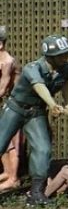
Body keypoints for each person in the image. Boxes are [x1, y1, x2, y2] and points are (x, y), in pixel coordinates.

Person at [0, 34, 68, 205]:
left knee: (43, 149)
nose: (65, 57)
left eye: (66, 53)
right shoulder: (32, 68)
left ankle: (36, 193)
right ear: (49, 56)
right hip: (16, 109)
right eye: (61, 55)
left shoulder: (67, 68)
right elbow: (39, 86)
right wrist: (52, 103)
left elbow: (65, 84)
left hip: (36, 112)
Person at [0, 26, 25, 192]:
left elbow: (2, 87)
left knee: (13, 141)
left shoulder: (7, 61)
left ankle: (14, 178)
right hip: (6, 103)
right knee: (3, 140)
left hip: (17, 104)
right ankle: (7, 173)